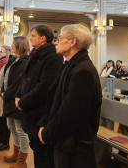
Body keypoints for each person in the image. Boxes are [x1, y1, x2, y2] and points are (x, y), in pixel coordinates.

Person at [38, 24, 102, 168]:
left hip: (74, 147)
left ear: (73, 41)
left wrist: (47, 133)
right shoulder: (70, 65)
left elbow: (70, 114)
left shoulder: (83, 71)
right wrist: (45, 125)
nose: (56, 42)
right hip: (64, 140)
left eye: (60, 38)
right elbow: (55, 101)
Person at [15, 25, 63, 168]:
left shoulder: (52, 57)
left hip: (40, 113)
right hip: (31, 110)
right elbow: (26, 79)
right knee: (36, 150)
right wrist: (18, 95)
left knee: (43, 156)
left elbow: (45, 87)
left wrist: (23, 101)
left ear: (43, 38)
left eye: (33, 36)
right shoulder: (36, 54)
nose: (30, 38)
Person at [1, 37, 30, 167]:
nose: (12, 46)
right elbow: (5, 77)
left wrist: (6, 94)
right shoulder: (13, 59)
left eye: (14, 44)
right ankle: (15, 154)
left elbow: (17, 83)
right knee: (11, 127)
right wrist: (3, 90)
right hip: (8, 98)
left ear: (20, 46)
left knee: (20, 130)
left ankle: (22, 160)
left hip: (17, 99)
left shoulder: (25, 62)